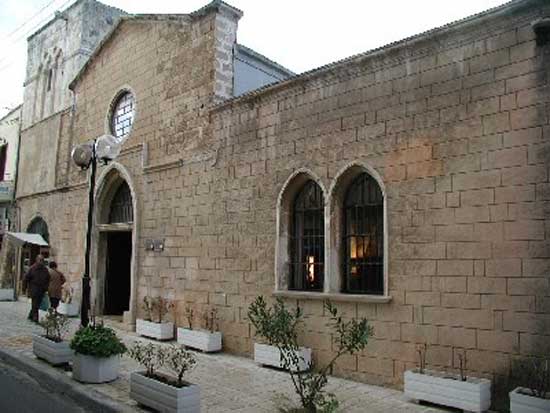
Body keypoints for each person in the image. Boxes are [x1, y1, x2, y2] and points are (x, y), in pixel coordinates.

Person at [22, 254, 50, 322]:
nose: (41, 261)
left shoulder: (45, 270)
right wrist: (24, 288)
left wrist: (46, 288)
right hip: (34, 289)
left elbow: (48, 279)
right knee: (35, 303)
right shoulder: (32, 268)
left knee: (36, 304)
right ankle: (35, 317)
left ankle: (31, 315)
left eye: (42, 260)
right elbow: (26, 279)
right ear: (36, 260)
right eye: (40, 260)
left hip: (41, 290)